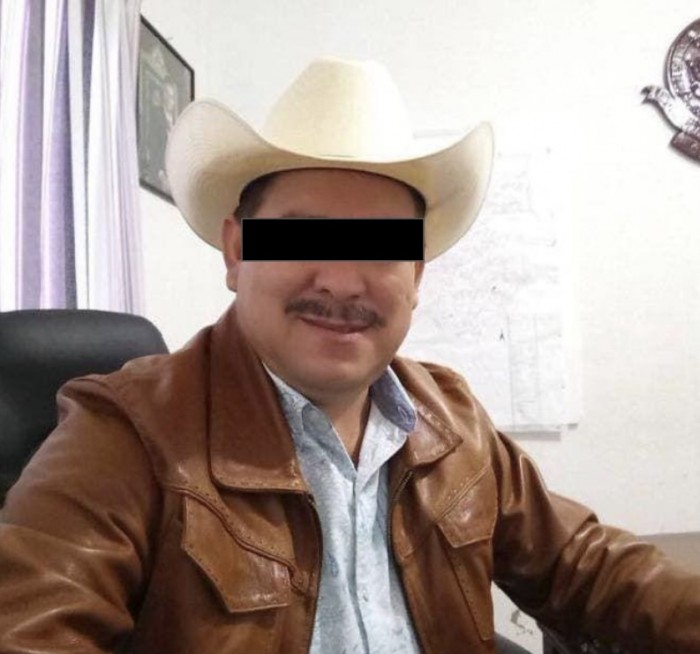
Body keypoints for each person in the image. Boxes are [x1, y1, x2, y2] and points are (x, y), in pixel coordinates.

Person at [0, 56, 699, 654]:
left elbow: (583, 564)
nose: (340, 280)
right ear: (237, 251)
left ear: (416, 275)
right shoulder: (123, 433)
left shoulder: (451, 419)